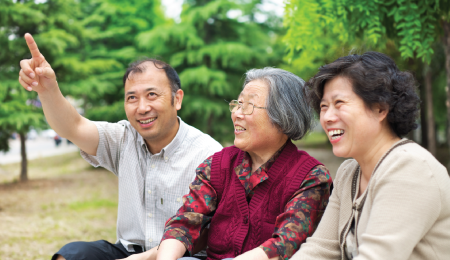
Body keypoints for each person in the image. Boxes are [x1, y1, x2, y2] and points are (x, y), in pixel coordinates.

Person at [18, 33, 223, 260]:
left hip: (183, 255)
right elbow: (73, 127)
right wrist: (48, 90)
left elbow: (210, 233)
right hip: (127, 251)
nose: (142, 108)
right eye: (132, 98)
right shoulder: (124, 137)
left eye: (152, 95)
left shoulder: (208, 154)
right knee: (71, 255)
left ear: (177, 99)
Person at [122, 67, 333, 260]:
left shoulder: (311, 177)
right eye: (237, 104)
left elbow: (285, 244)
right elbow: (186, 222)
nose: (236, 113)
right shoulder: (217, 165)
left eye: (248, 106)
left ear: (283, 116)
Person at [291, 51, 450, 260]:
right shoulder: (349, 173)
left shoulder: (410, 167)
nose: (328, 117)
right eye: (323, 107)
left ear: (380, 108)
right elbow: (319, 250)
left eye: (339, 103)